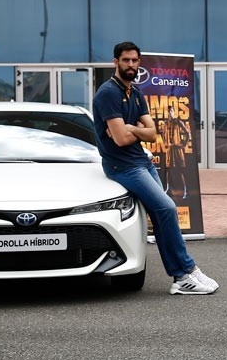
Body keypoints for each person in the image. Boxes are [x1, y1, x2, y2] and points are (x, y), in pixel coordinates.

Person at [93, 42, 219, 295]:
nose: (131, 65)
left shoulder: (135, 93)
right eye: (126, 60)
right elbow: (119, 140)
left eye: (134, 61)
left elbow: (153, 134)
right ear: (115, 62)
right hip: (123, 166)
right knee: (167, 208)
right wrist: (133, 131)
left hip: (141, 161)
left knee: (162, 217)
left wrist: (131, 129)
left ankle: (184, 273)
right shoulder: (108, 93)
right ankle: (184, 272)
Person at [161, 104, 192, 199]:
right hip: (169, 150)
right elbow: (163, 136)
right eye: (168, 111)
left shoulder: (178, 122)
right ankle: (168, 189)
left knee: (182, 169)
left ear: (174, 112)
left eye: (172, 111)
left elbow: (187, 133)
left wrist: (182, 144)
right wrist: (165, 143)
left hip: (177, 149)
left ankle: (187, 190)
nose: (170, 113)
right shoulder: (166, 123)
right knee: (168, 170)